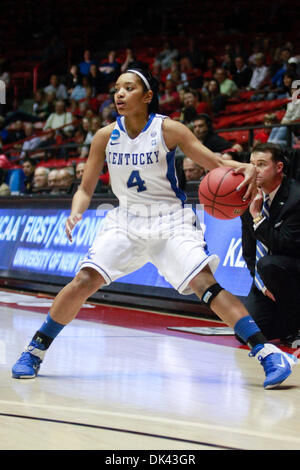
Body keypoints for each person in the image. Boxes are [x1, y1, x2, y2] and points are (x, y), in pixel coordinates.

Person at [12, 67, 297, 390]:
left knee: (205, 283)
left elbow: (213, 163)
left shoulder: (169, 129)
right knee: (84, 279)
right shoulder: (105, 135)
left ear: (147, 96)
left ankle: (266, 352)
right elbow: (85, 187)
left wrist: (242, 166)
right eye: (117, 88)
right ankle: (35, 350)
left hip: (169, 220)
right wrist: (76, 212)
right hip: (126, 219)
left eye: (128, 88)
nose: (119, 94)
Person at [240, 143, 300, 346]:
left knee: (269, 264)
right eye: (251, 164)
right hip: (266, 281)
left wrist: (257, 217)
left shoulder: (295, 197)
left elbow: (285, 244)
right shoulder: (248, 197)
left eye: (262, 164)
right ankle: (285, 323)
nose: (254, 170)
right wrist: (262, 286)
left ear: (279, 167)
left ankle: (295, 328)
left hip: (293, 273)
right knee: (246, 333)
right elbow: (249, 253)